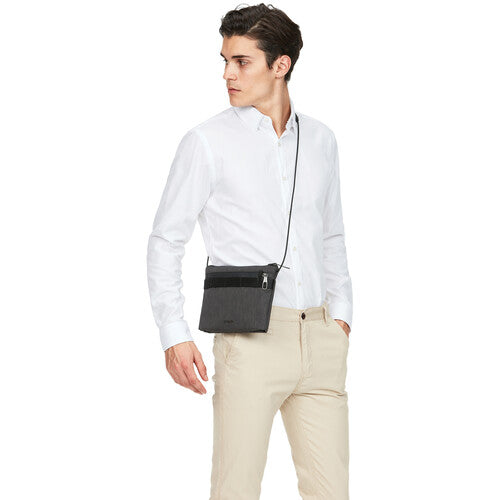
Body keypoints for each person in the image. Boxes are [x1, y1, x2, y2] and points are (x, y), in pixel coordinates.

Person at [146, 3, 353, 499]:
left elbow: (331, 235)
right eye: (225, 61)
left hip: (320, 337)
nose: (227, 74)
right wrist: (174, 334)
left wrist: (342, 316)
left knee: (332, 492)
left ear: (281, 65)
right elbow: (166, 240)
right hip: (249, 340)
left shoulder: (321, 140)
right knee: (235, 489)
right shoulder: (206, 141)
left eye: (242, 61)